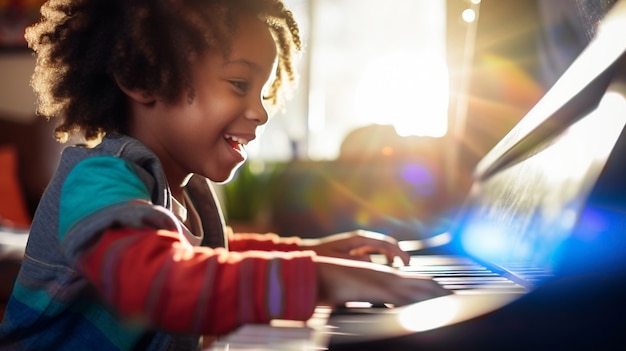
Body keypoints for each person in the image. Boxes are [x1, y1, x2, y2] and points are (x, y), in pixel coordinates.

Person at [0, 0, 448, 350]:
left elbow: (209, 253)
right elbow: (159, 281)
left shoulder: (185, 190)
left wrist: (310, 251)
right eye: (239, 84)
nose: (261, 111)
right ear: (142, 77)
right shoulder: (96, 180)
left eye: (263, 90)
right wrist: (321, 277)